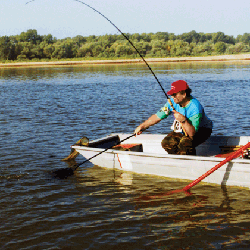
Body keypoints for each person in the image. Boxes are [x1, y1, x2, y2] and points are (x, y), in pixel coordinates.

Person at [134, 80, 213, 155]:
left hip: (201, 130)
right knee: (167, 142)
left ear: (184, 94)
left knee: (185, 144)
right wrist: (142, 126)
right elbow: (158, 116)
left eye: (174, 94)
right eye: (171, 94)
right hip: (183, 128)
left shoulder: (195, 108)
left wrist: (184, 120)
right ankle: (179, 159)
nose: (172, 97)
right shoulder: (172, 102)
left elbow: (192, 134)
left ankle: (190, 162)